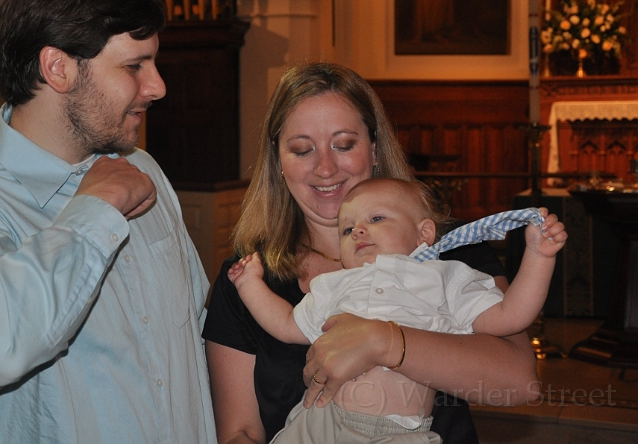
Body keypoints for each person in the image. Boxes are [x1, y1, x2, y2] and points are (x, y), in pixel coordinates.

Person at [0, 0, 216, 443]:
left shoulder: (143, 168)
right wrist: (96, 210)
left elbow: (194, 331)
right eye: (134, 66)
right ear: (58, 68)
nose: (157, 87)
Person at [202, 62, 540, 444]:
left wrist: (384, 342)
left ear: (375, 149)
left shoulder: (446, 249)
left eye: (344, 144)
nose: (325, 168)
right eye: (302, 149)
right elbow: (240, 432)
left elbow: (519, 381)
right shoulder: (247, 278)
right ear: (278, 162)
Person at [227, 178, 566, 443]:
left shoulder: (445, 278)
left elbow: (510, 315)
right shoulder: (336, 284)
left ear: (424, 233)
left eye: (376, 218)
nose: (358, 231)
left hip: (399, 431)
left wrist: (538, 257)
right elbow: (287, 324)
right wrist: (249, 284)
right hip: (322, 421)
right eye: (347, 229)